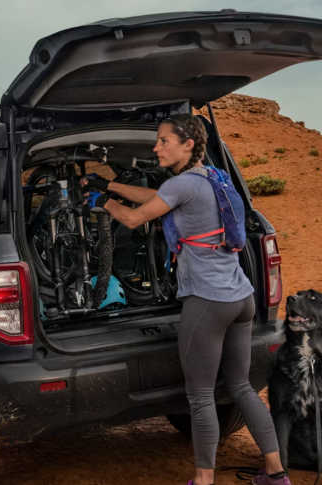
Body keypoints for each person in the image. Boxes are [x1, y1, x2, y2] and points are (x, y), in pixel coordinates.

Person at [84, 114, 289, 485]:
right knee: (240, 386)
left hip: (207, 301)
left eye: (164, 141)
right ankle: (276, 473)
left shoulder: (182, 185)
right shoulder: (212, 178)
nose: (156, 147)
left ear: (188, 144)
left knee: (199, 396)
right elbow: (158, 198)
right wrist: (113, 184)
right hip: (241, 297)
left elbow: (134, 219)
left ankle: (204, 479)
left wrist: (103, 202)